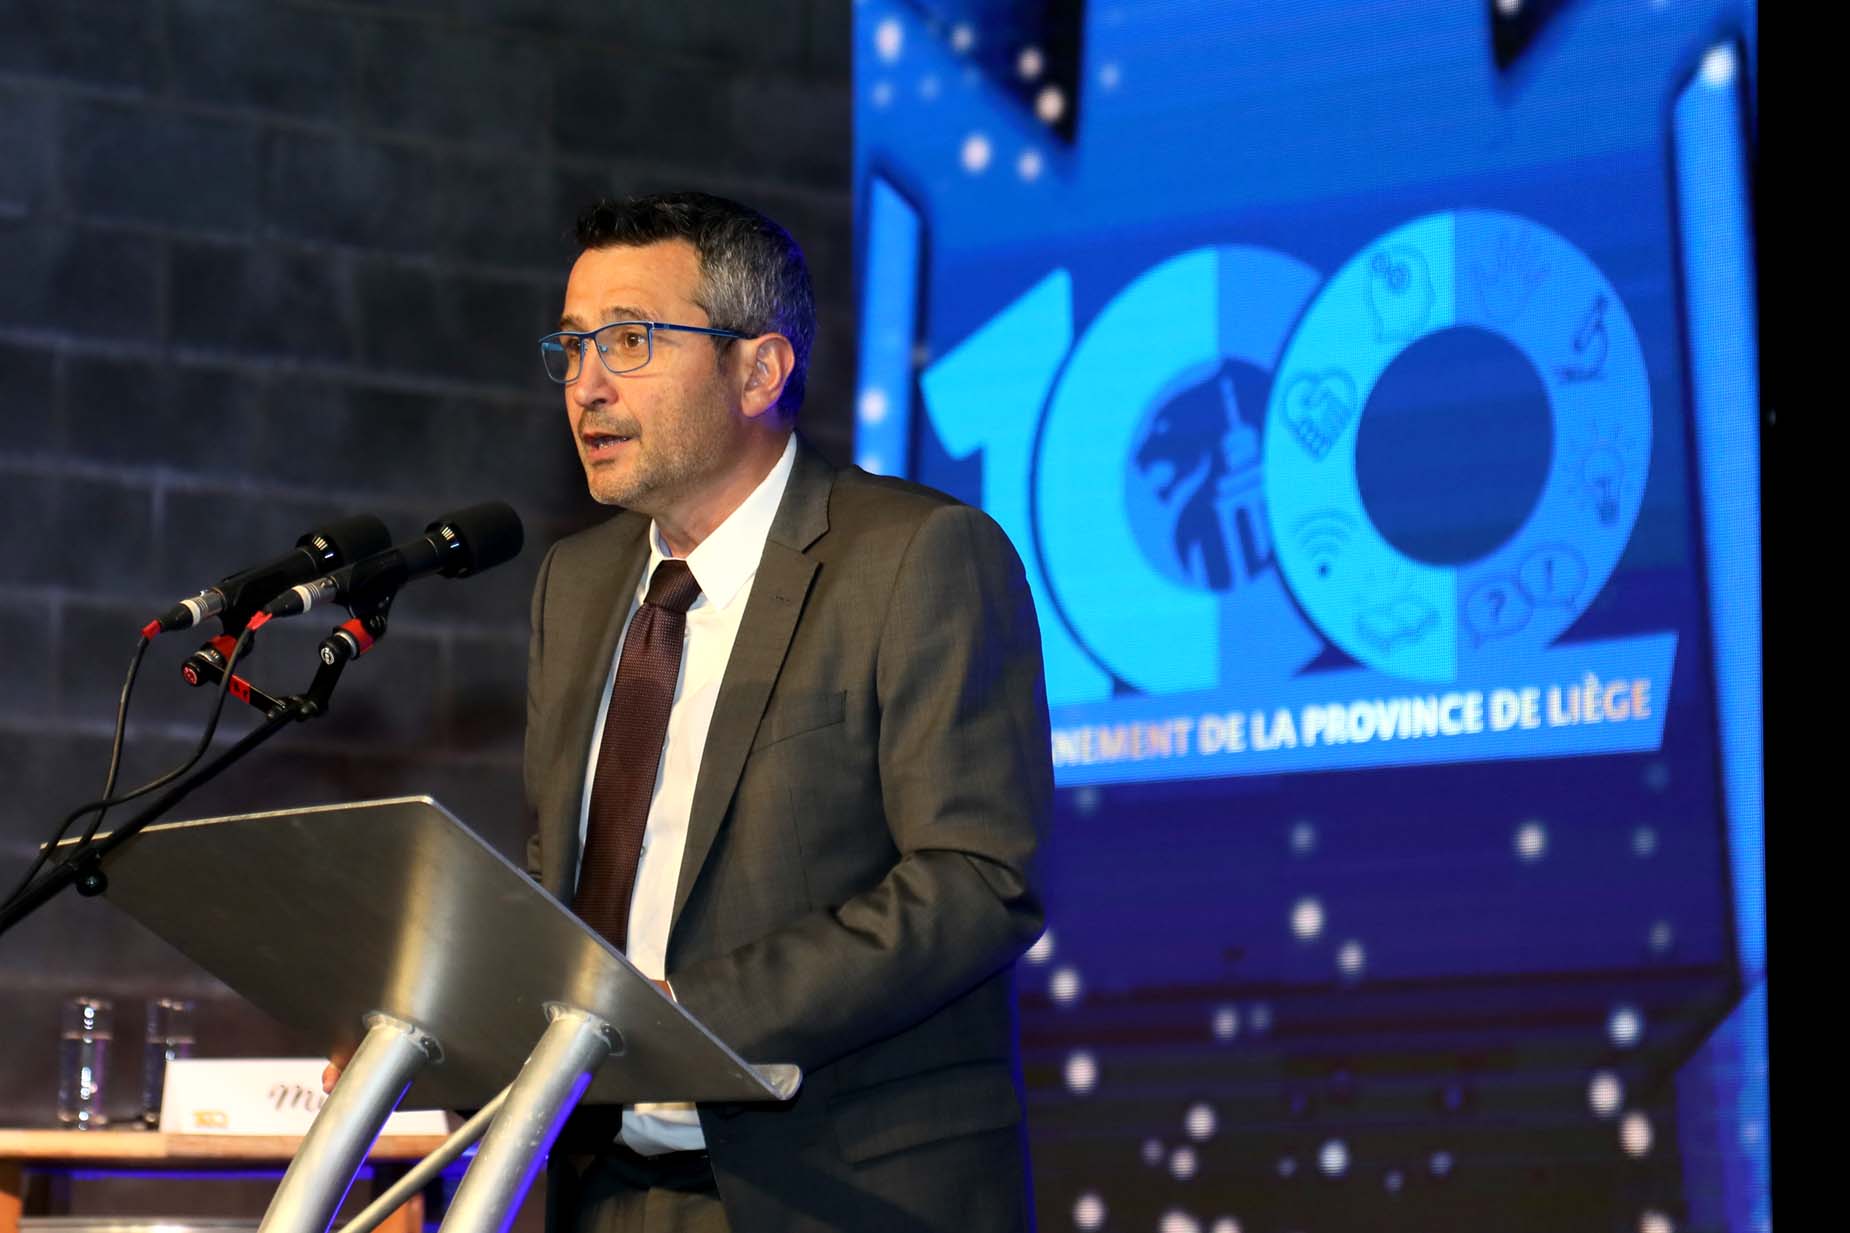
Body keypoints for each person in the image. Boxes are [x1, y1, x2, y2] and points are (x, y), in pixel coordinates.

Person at [523, 191, 1052, 1232]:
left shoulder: (916, 556)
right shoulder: (573, 585)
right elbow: (562, 876)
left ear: (759, 370)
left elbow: (977, 878)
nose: (586, 384)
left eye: (628, 341)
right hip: (602, 1188)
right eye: (573, 345)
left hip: (840, 1192)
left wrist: (684, 1021)